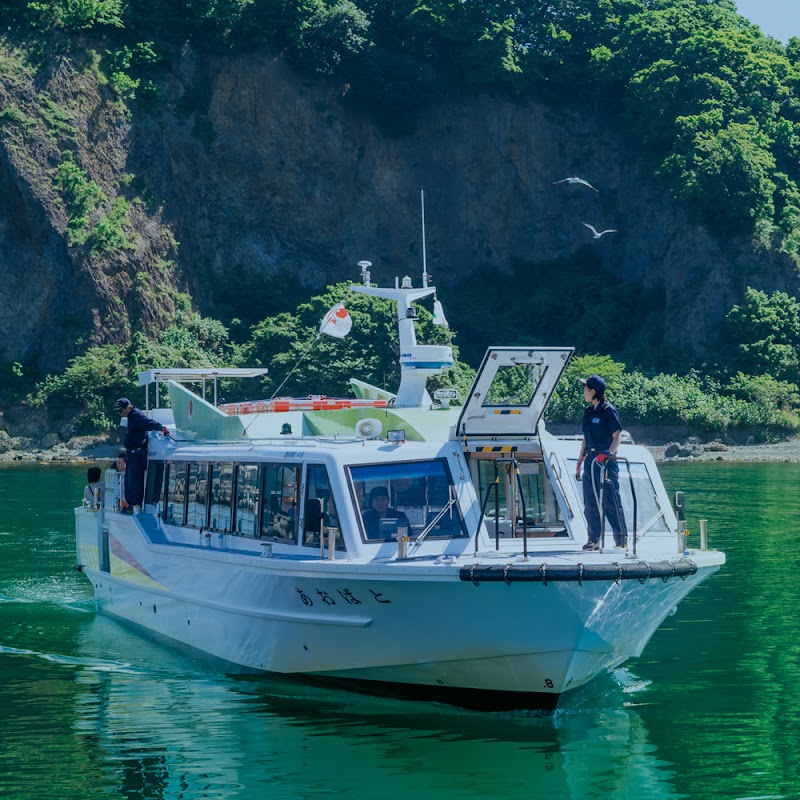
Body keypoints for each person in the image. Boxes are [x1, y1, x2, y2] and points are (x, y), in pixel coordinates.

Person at [575, 375, 627, 550]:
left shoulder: (608, 410)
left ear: (593, 391)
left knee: (611, 501)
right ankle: (593, 540)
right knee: (590, 502)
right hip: (590, 461)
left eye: (585, 389)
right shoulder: (589, 412)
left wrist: (608, 456)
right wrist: (580, 461)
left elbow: (617, 436)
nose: (584, 392)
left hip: (605, 462)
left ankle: (621, 541)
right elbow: (585, 438)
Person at [115, 397, 169, 514]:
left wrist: (161, 428)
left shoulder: (136, 415)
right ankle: (131, 503)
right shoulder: (130, 417)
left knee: (135, 480)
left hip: (137, 452)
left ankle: (136, 505)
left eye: (121, 410)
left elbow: (149, 423)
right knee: (129, 481)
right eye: (118, 411)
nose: (120, 413)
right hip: (132, 452)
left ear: (128, 407)